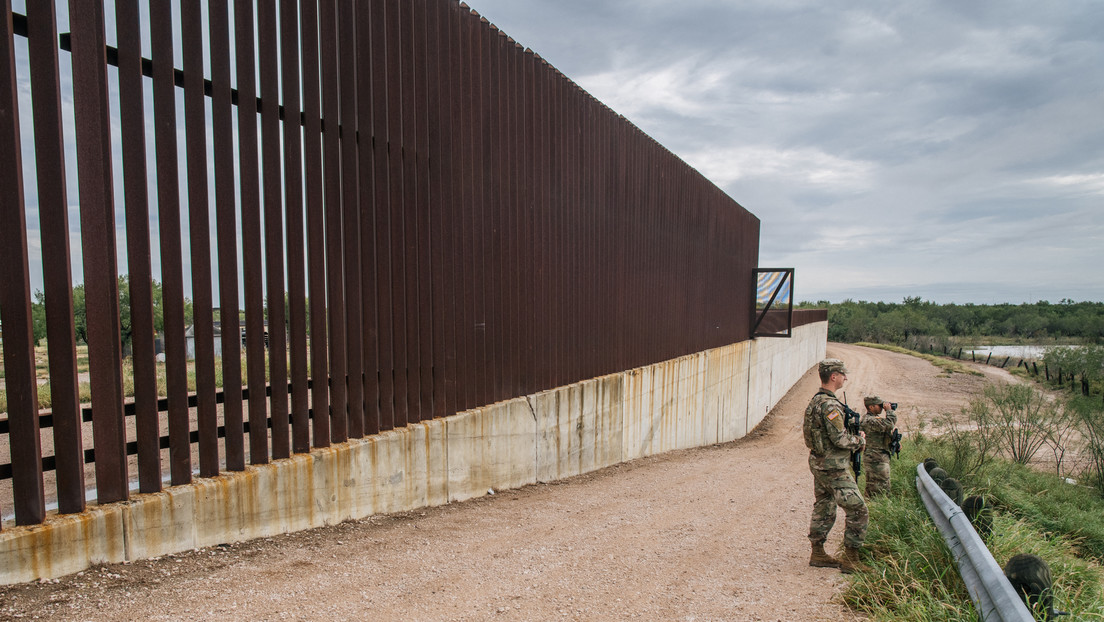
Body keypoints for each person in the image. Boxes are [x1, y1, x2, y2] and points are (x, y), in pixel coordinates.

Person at [803, 358, 869, 573]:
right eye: (842, 374)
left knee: (825, 505)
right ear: (833, 376)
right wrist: (859, 440)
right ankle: (851, 559)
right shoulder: (830, 404)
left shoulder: (815, 401)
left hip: (819, 462)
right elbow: (839, 439)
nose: (845, 378)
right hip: (833, 466)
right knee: (858, 509)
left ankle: (818, 552)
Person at [860, 396, 898, 498]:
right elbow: (889, 424)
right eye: (879, 405)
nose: (882, 407)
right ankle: (875, 507)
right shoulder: (869, 420)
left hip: (878, 457)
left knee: (877, 487)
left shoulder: (874, 419)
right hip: (875, 459)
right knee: (880, 488)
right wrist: (889, 411)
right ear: (871, 407)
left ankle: (872, 507)